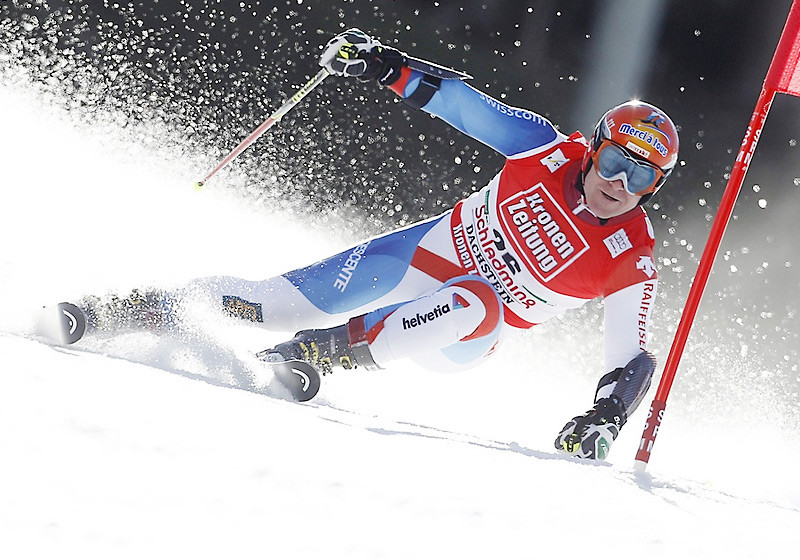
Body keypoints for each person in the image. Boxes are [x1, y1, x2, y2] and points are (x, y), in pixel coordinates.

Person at [77, 29, 680, 461]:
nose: (619, 185)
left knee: (476, 301)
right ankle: (129, 309)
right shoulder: (542, 148)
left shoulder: (631, 254)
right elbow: (462, 106)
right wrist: (380, 65)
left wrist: (603, 419)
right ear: (595, 147)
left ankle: (319, 352)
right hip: (414, 263)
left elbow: (630, 357)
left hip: (461, 334)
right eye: (614, 162)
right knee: (269, 304)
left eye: (642, 177)